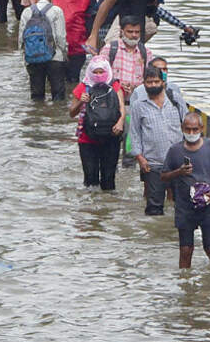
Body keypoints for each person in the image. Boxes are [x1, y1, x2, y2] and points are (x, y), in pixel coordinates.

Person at [161, 113, 210, 268]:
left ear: (201, 129)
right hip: (184, 207)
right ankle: (185, 285)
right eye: (188, 129)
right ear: (182, 129)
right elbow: (164, 176)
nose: (192, 133)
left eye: (195, 129)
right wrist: (178, 172)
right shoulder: (175, 150)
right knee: (185, 250)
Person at [128, 66, 185, 216]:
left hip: (178, 163)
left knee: (181, 203)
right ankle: (154, 237)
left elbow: (188, 126)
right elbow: (134, 133)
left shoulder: (175, 100)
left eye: (156, 81)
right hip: (152, 163)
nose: (153, 85)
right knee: (154, 206)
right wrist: (140, 158)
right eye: (149, 82)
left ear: (163, 82)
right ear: (143, 83)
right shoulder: (138, 106)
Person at [71, 57, 125, 191]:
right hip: (87, 139)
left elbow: (121, 108)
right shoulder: (83, 87)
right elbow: (72, 113)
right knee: (90, 180)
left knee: (109, 179)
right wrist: (80, 102)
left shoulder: (115, 85)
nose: (99, 75)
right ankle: (91, 208)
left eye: (102, 72)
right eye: (96, 72)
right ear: (90, 72)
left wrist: (120, 123)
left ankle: (107, 207)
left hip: (111, 136)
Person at [19, 0, 67, 102]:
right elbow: (60, 37)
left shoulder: (27, 11)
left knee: (37, 95)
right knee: (58, 95)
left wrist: (24, 56)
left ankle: (37, 117)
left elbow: (21, 37)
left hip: (33, 57)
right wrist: (64, 53)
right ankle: (55, 117)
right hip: (55, 57)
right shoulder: (57, 11)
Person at [53, 0, 98, 83]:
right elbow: (91, 18)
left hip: (56, 40)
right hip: (77, 42)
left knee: (57, 80)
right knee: (73, 80)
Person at [98, 14, 152, 97]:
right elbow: (99, 75)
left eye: (137, 32)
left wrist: (135, 87)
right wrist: (117, 86)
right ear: (122, 31)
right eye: (130, 32)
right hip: (112, 100)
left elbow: (150, 78)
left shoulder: (146, 52)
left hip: (136, 100)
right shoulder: (109, 49)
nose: (134, 35)